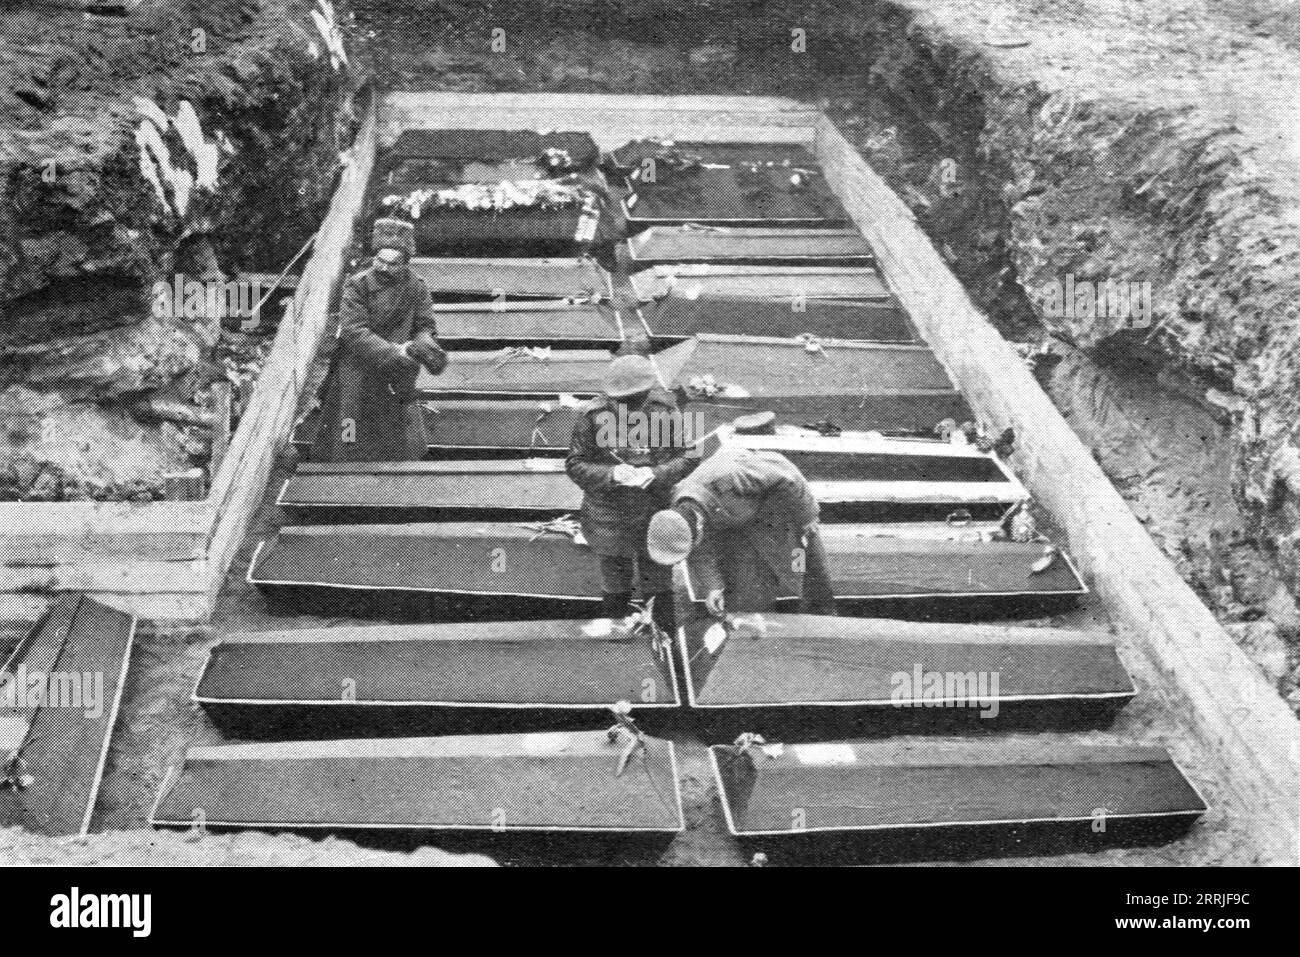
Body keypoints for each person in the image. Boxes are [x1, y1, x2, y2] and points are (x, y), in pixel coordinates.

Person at [566, 354, 699, 634]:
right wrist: (611, 474)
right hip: (609, 513)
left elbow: (690, 455)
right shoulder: (592, 416)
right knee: (615, 580)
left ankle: (663, 638)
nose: (623, 405)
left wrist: (657, 473)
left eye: (631, 399)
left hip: (654, 507)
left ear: (645, 393)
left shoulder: (667, 411)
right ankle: (618, 640)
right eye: (619, 400)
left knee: (658, 579)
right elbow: (575, 464)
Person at [311, 217, 447, 462]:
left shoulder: (417, 288)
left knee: (394, 428)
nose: (383, 268)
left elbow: (425, 324)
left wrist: (423, 345)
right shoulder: (358, 285)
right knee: (348, 421)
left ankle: (391, 476)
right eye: (379, 261)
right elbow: (354, 331)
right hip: (358, 364)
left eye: (392, 264)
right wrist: (395, 351)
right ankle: (342, 466)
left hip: (395, 370)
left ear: (405, 263)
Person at [646, 443, 835, 616]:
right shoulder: (680, 513)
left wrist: (807, 516)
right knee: (746, 594)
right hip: (741, 527)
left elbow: (786, 473)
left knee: (806, 569)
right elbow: (698, 552)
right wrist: (713, 588)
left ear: (699, 525)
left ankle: (823, 619)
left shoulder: (729, 476)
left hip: (785, 517)